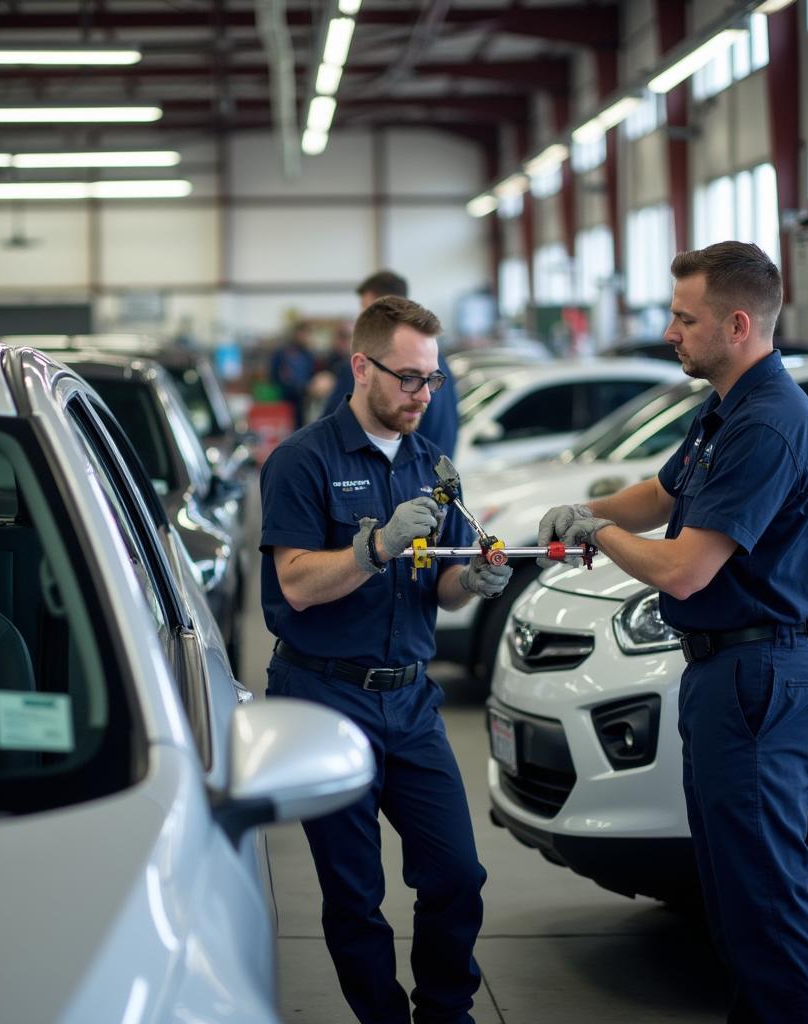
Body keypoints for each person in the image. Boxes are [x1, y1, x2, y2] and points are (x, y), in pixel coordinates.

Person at [537, 241, 808, 1024]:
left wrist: (593, 538)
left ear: (737, 324)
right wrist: (589, 511)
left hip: (757, 678)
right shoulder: (726, 408)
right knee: (735, 900)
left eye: (683, 318)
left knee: (767, 904)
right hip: (724, 677)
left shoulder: (767, 423)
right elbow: (659, 493)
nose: (671, 331)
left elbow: (685, 570)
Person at [260, 295, 512, 1024]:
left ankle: (444, 1011)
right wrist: (376, 546)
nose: (423, 396)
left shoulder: (435, 464)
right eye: (408, 379)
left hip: (409, 702)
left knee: (457, 874)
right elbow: (296, 585)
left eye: (432, 381)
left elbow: (445, 587)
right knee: (353, 892)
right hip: (324, 701)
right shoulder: (302, 461)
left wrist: (475, 580)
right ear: (361, 367)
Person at [321, 270, 459, 457]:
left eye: (364, 309)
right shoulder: (442, 365)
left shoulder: (369, 363)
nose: (425, 396)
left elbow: (330, 435)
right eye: (410, 378)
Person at [269, 320, 317, 430]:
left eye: (308, 333)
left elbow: (311, 374)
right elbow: (275, 376)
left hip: (304, 399)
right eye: (304, 332)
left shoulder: (308, 354)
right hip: (285, 399)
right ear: (297, 333)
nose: (306, 336)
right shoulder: (283, 353)